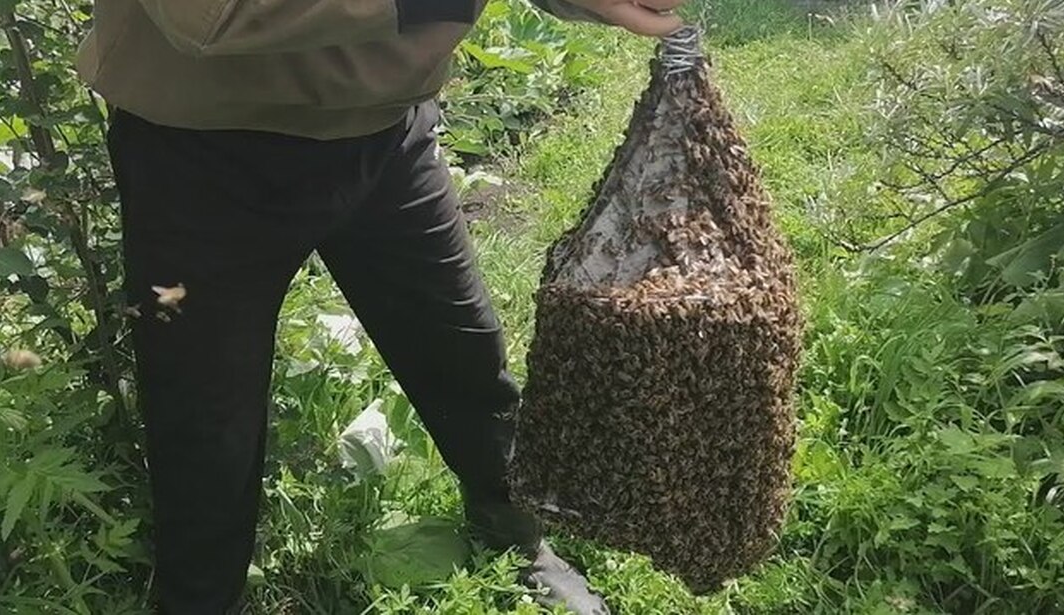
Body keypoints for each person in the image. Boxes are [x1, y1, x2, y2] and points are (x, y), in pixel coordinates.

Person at [75, 1, 685, 613]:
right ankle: (198, 601)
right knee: (206, 419)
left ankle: (515, 535)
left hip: (388, 134)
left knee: (462, 353)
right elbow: (210, 15)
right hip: (200, 148)